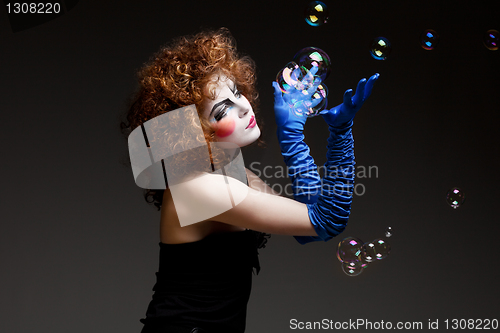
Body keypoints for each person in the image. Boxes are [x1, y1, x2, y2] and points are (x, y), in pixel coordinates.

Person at [122, 27, 378, 333]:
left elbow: (310, 224)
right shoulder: (200, 188)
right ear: (192, 134)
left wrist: (298, 134)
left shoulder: (231, 174)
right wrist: (322, 135)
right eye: (223, 110)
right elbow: (326, 220)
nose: (244, 106)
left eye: (237, 92)